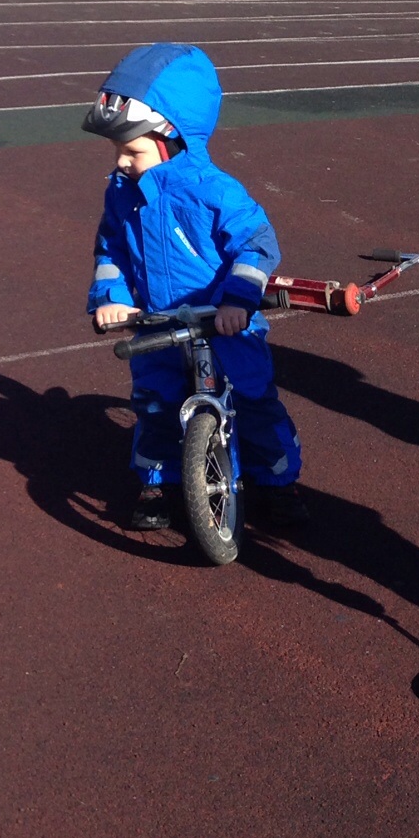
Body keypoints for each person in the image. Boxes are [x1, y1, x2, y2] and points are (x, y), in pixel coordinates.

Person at [83, 42, 304, 533]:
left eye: (132, 151)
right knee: (156, 403)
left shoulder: (213, 190)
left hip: (224, 323)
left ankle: (277, 482)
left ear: (173, 139)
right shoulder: (122, 194)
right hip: (159, 324)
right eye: (117, 151)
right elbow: (111, 250)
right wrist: (114, 299)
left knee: (254, 400)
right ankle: (158, 482)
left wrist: (238, 300)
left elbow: (255, 245)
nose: (121, 162)